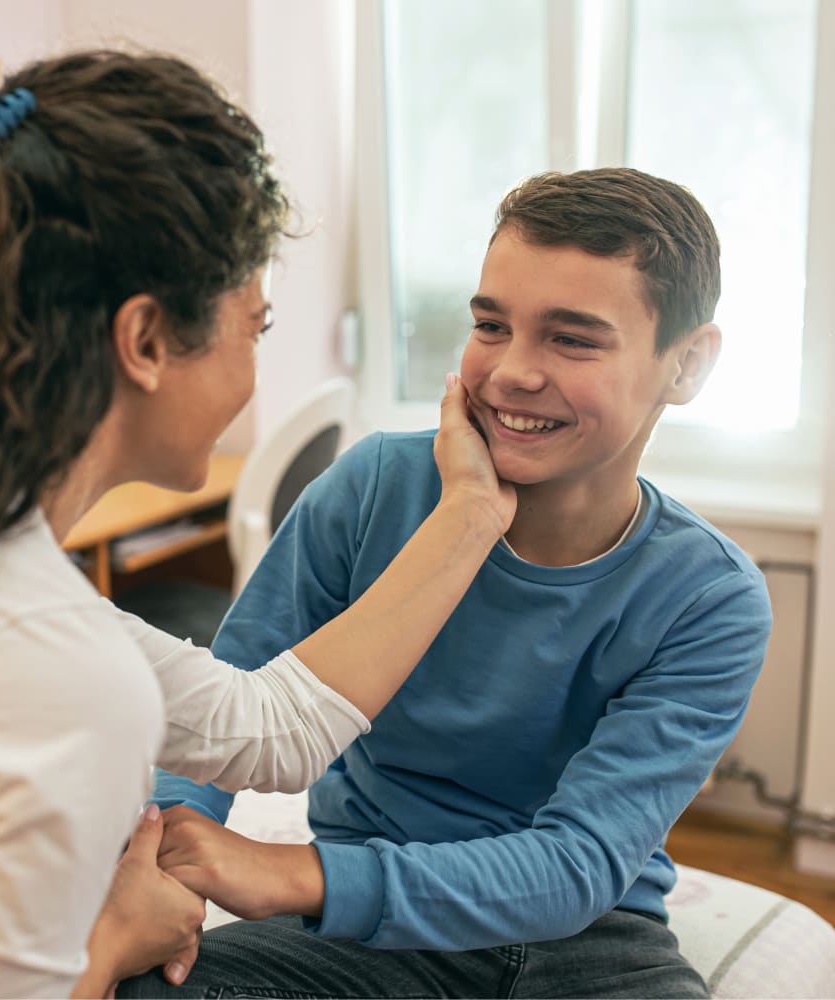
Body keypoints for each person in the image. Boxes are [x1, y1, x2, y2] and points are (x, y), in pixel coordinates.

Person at [0, 51, 514, 999]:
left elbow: (270, 729)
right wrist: (115, 935)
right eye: (257, 327)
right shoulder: (47, 666)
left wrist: (471, 514)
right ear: (148, 341)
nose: (253, 369)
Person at [130, 168, 773, 999]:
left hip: (589, 943)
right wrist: (159, 861)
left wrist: (289, 874)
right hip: (360, 940)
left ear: (686, 365)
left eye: (572, 339)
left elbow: (577, 864)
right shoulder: (370, 492)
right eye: (490, 325)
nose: (511, 371)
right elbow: (217, 717)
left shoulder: (709, 596)